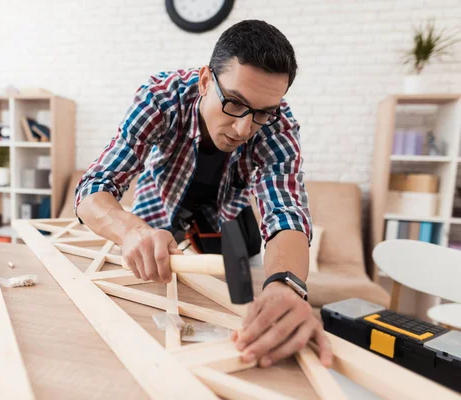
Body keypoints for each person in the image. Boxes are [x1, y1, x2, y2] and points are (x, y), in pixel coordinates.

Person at [74, 20, 332, 368]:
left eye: (262, 112)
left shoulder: (278, 125)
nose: (244, 128)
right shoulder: (161, 98)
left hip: (229, 222)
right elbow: (96, 185)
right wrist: (129, 230)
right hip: (157, 223)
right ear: (206, 81)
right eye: (235, 103)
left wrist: (286, 286)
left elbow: (286, 209)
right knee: (146, 330)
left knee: (240, 317)